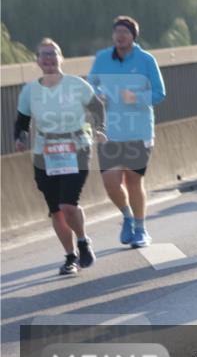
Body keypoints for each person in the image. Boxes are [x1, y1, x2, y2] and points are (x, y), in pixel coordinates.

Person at [14, 39, 106, 276]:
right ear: (37, 60)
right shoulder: (31, 90)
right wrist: (20, 137)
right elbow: (22, 119)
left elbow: (97, 108)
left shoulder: (76, 85)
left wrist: (100, 128)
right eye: (44, 55)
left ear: (61, 58)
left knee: (68, 204)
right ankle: (70, 256)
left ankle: (83, 240)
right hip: (46, 152)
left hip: (76, 147)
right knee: (56, 210)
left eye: (53, 54)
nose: (48, 59)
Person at [88, 16, 166, 247]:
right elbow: (89, 85)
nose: (120, 36)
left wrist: (137, 98)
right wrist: (97, 94)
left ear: (133, 36)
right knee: (111, 183)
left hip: (138, 131)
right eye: (117, 32)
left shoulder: (145, 60)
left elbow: (159, 93)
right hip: (109, 132)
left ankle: (141, 229)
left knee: (133, 180)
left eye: (125, 32)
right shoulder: (102, 59)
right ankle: (127, 216)